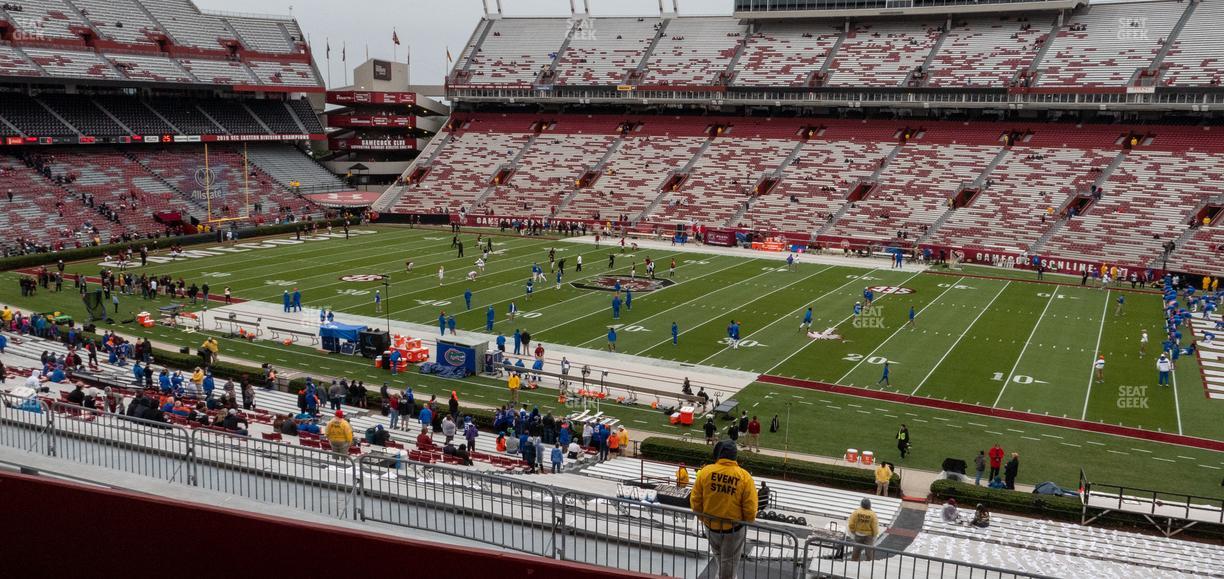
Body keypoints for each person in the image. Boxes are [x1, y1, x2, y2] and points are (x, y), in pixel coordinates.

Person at [690, 442, 757, 579]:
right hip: (734, 530)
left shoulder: (705, 472)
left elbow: (695, 502)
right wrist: (745, 522)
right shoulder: (744, 477)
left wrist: (705, 519)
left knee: (721, 558)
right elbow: (750, 509)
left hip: (711, 527)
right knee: (729, 563)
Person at [847, 498, 879, 562]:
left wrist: (853, 531)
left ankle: (853, 563)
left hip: (858, 534)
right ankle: (869, 564)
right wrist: (875, 534)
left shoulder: (856, 512)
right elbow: (875, 526)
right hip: (868, 536)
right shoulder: (872, 514)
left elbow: (851, 523)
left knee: (856, 551)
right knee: (869, 552)